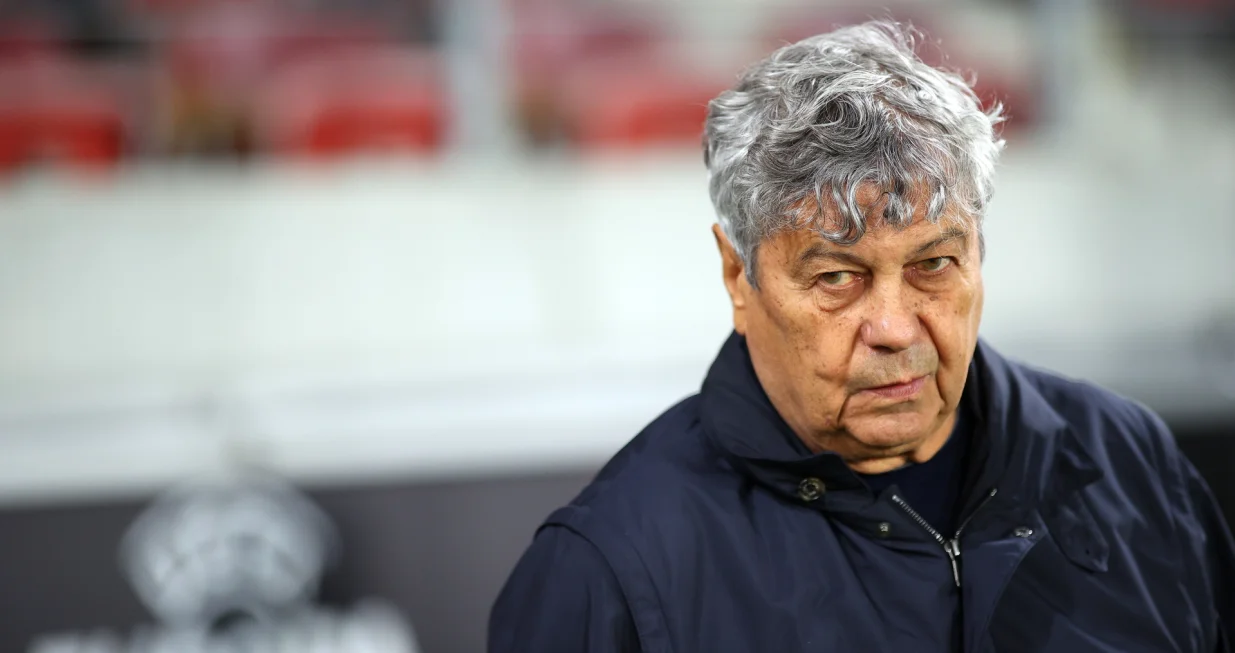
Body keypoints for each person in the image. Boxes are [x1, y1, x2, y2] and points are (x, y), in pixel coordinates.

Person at [488, 20, 1235, 652]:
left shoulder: (1130, 465)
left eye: (933, 265)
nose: (895, 328)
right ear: (737, 274)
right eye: (838, 278)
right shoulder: (608, 573)